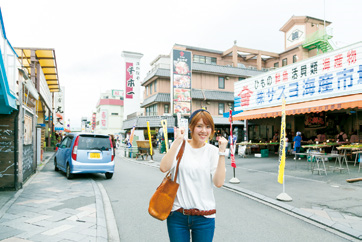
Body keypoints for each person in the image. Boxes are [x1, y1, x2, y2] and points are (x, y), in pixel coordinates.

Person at [160, 109, 227, 242]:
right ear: (191, 127)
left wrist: (222, 153)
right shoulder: (180, 145)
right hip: (177, 216)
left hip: (205, 217)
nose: (204, 131)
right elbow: (163, 167)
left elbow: (218, 183)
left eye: (208, 127)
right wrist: (178, 141)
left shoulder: (213, 152)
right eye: (199, 126)